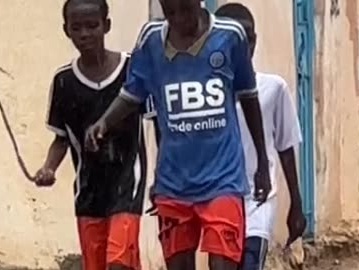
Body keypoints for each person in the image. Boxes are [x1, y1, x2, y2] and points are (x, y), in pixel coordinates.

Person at [84, 0, 272, 269]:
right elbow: (132, 93)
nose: (178, 18)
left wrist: (262, 163)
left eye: (185, 9)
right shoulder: (150, 41)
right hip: (174, 185)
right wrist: (104, 122)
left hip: (223, 181)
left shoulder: (230, 36)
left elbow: (249, 97)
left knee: (223, 264)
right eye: (170, 11)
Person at [33, 0, 154, 269]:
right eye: (77, 28)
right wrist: (48, 168)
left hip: (127, 184)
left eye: (92, 25)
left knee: (118, 263)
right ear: (66, 31)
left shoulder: (131, 70)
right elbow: (61, 137)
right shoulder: (64, 82)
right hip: (88, 192)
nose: (85, 34)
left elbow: (156, 121)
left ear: (106, 25)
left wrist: (163, 177)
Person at [216, 4, 307, 270]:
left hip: (258, 198)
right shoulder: (208, 93)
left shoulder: (273, 89)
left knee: (251, 260)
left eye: (247, 39)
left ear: (254, 42)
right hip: (219, 196)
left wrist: (296, 204)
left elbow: (286, 147)